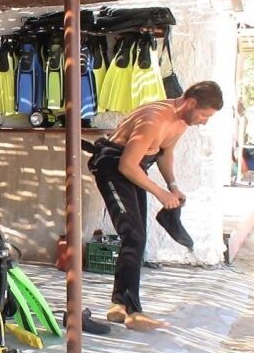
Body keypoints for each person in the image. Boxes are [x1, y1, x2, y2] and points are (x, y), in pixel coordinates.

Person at [87, 81, 223, 331]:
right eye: (204, 115)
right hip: (113, 166)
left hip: (134, 168)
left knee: (138, 237)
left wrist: (172, 185)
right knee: (133, 235)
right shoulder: (154, 119)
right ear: (191, 103)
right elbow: (126, 165)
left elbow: (165, 152)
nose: (204, 121)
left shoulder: (182, 121)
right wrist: (159, 193)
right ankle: (133, 313)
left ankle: (118, 305)